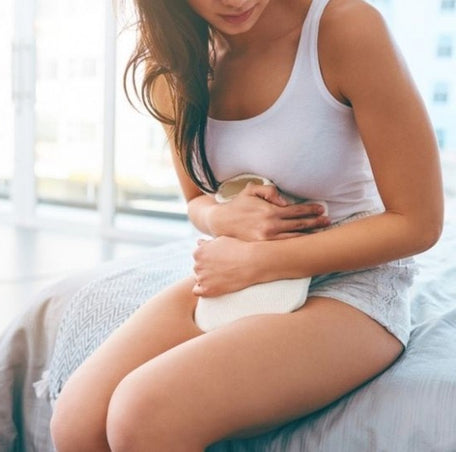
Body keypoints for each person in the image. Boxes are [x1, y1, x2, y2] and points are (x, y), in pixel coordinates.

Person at [50, 0, 444, 450]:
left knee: (145, 414)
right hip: (240, 281)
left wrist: (262, 259)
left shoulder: (344, 28)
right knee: (76, 424)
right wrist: (221, 215)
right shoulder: (175, 61)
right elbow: (198, 200)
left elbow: (418, 222)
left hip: (350, 285)